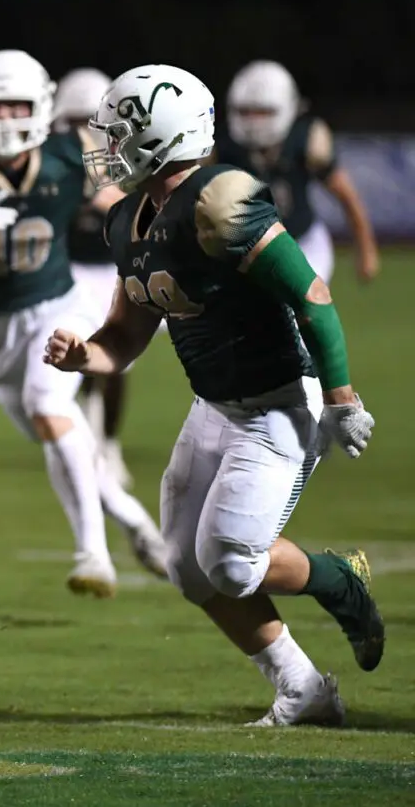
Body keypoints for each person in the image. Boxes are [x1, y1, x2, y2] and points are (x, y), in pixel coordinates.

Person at [45, 63, 384, 725]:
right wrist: (86, 354)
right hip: (214, 407)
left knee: (228, 563)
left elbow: (310, 293)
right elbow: (127, 332)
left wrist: (342, 397)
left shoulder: (219, 199)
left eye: (119, 133)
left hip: (279, 402)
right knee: (189, 570)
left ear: (161, 136)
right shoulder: (126, 220)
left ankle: (338, 578)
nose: (105, 149)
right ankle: (304, 689)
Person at [0, 50, 167, 597]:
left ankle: (93, 554)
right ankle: (138, 524)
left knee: (50, 409)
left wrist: (161, 243)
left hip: (61, 305)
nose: (2, 117)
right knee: (58, 435)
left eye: (14, 105)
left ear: (40, 107)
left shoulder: (77, 151)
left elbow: (126, 210)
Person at [218, 60, 379, 285]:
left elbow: (346, 195)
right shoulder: (223, 146)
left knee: (297, 308)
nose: (254, 121)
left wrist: (366, 249)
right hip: (245, 248)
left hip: (304, 243)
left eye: (263, 112)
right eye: (246, 111)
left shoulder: (306, 141)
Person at [52, 67, 135, 489]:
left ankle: (109, 443)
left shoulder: (129, 159)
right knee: (73, 355)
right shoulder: (49, 162)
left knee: (115, 361)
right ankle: (87, 438)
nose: (80, 133)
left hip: (111, 270)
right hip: (67, 270)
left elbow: (139, 215)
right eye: (71, 122)